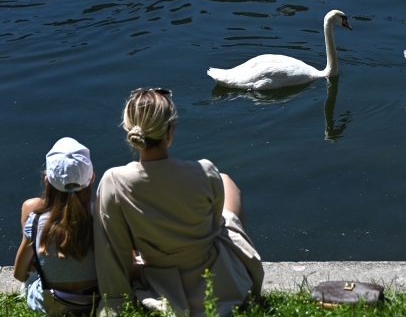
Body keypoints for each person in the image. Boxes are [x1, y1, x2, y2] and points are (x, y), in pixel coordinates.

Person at [93, 88, 263, 317]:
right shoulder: (205, 171)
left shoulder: (113, 182)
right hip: (218, 282)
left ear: (129, 131)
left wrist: (117, 302)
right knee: (226, 182)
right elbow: (215, 225)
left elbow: (112, 248)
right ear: (170, 132)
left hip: (159, 282)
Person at [14, 137, 98, 313]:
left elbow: (19, 275)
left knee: (31, 206)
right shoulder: (103, 217)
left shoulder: (35, 221)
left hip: (51, 303)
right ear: (92, 178)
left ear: (47, 180)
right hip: (95, 301)